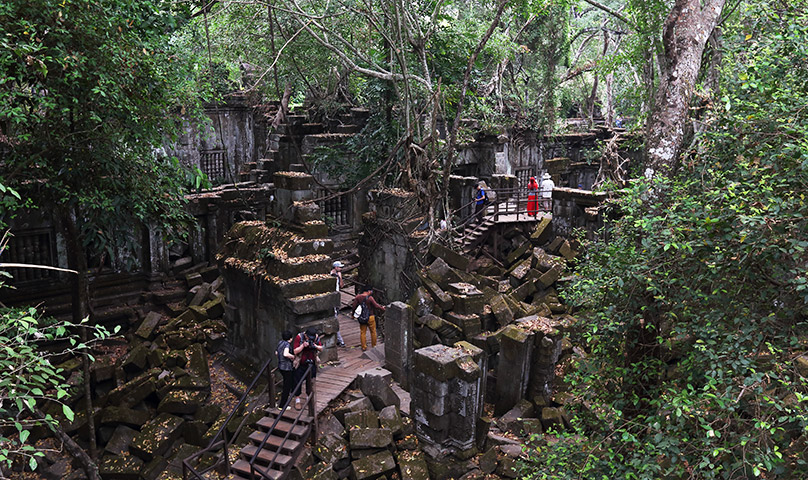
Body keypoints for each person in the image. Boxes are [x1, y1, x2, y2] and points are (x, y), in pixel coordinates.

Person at [292, 327, 323, 409]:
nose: (309, 339)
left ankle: (309, 397)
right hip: (300, 363)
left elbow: (321, 348)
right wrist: (303, 345)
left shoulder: (316, 337)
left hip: (311, 363)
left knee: (311, 381)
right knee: (297, 381)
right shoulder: (299, 337)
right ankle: (297, 399)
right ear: (305, 335)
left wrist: (315, 346)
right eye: (308, 338)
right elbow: (295, 351)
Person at [351, 286, 385, 351]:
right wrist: (382, 308)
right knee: (373, 332)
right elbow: (376, 306)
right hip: (370, 316)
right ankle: (374, 345)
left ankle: (364, 346)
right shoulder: (370, 298)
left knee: (363, 332)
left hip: (362, 317)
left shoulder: (358, 297)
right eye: (371, 291)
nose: (371, 292)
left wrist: (353, 315)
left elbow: (354, 306)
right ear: (368, 291)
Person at [276, 330, 297, 409]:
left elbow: (276, 353)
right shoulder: (287, 345)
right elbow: (285, 354)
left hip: (281, 366)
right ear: (290, 338)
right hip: (287, 368)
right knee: (286, 386)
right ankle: (282, 405)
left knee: (288, 382)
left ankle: (293, 392)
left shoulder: (280, 343)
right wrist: (292, 357)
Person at [330, 261, 346, 347]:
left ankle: (338, 339)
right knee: (335, 317)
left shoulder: (338, 275)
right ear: (335, 267)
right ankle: (340, 340)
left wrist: (340, 278)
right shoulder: (330, 275)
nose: (341, 269)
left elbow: (341, 285)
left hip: (337, 297)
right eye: (340, 267)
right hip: (333, 297)